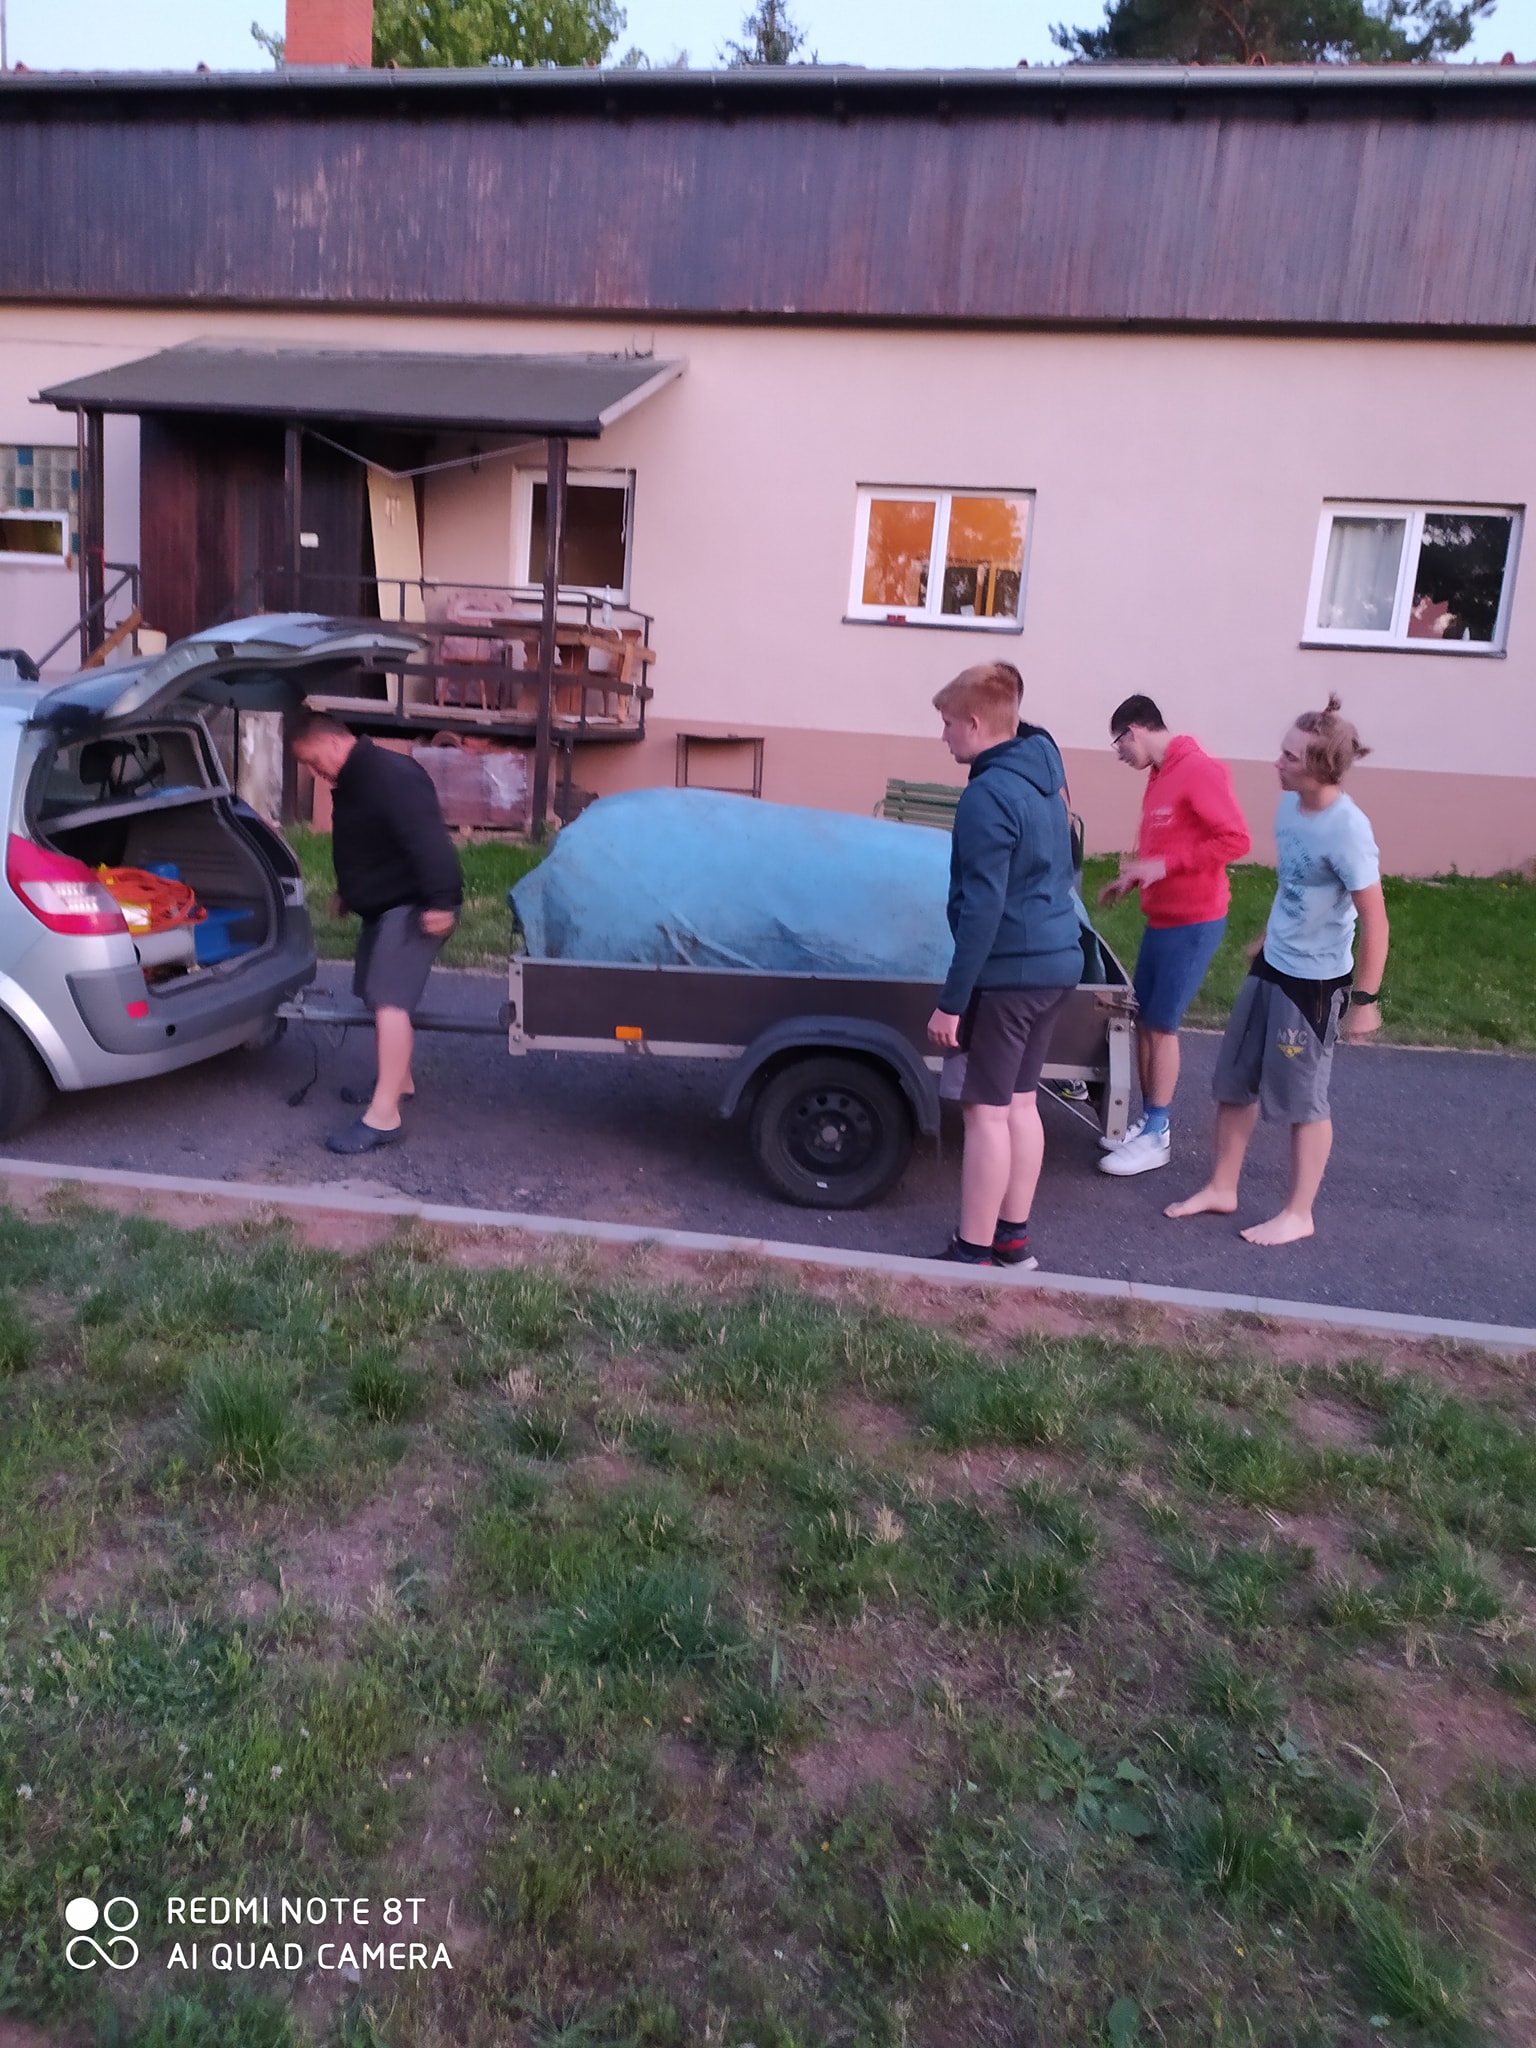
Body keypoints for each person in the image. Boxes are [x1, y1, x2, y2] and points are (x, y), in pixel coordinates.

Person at [1164, 693, 1388, 1246]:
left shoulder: (1348, 829)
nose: (1277, 763)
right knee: (1234, 1080)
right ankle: (1223, 1187)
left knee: (1303, 1100)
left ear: (1321, 767)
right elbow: (1298, 887)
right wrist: (1268, 937)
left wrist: (1364, 1001)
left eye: (1290, 756)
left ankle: (1298, 1213)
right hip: (1273, 965)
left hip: (1314, 983)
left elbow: (1375, 920)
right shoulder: (1290, 807)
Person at [927, 662, 1082, 1268]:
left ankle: (972, 1251)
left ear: (974, 723)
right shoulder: (1043, 770)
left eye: (947, 723)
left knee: (986, 1113)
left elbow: (982, 908)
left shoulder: (987, 796)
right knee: (1020, 1103)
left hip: (1010, 973)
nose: (943, 735)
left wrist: (952, 1002)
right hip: (1056, 962)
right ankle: (1012, 1242)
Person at [289, 712, 463, 1155]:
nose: (313, 772)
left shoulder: (390, 774)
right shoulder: (355, 779)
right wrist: (349, 892)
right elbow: (367, 840)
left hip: (416, 904)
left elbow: (428, 840)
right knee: (373, 993)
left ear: (332, 743)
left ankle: (385, 1116)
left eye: (312, 761)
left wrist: (442, 901)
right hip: (385, 905)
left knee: (389, 1001)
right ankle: (398, 1081)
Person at [1096, 694, 1251, 1177]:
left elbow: (1235, 839)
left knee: (1162, 1025)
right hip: (1161, 918)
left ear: (1135, 730)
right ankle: (1149, 1122)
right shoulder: (1160, 775)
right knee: (1144, 1020)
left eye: (1119, 744)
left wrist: (1164, 866)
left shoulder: (1198, 770)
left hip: (1194, 920)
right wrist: (1134, 877)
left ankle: (1158, 1133)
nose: (1120, 755)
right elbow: (1170, 844)